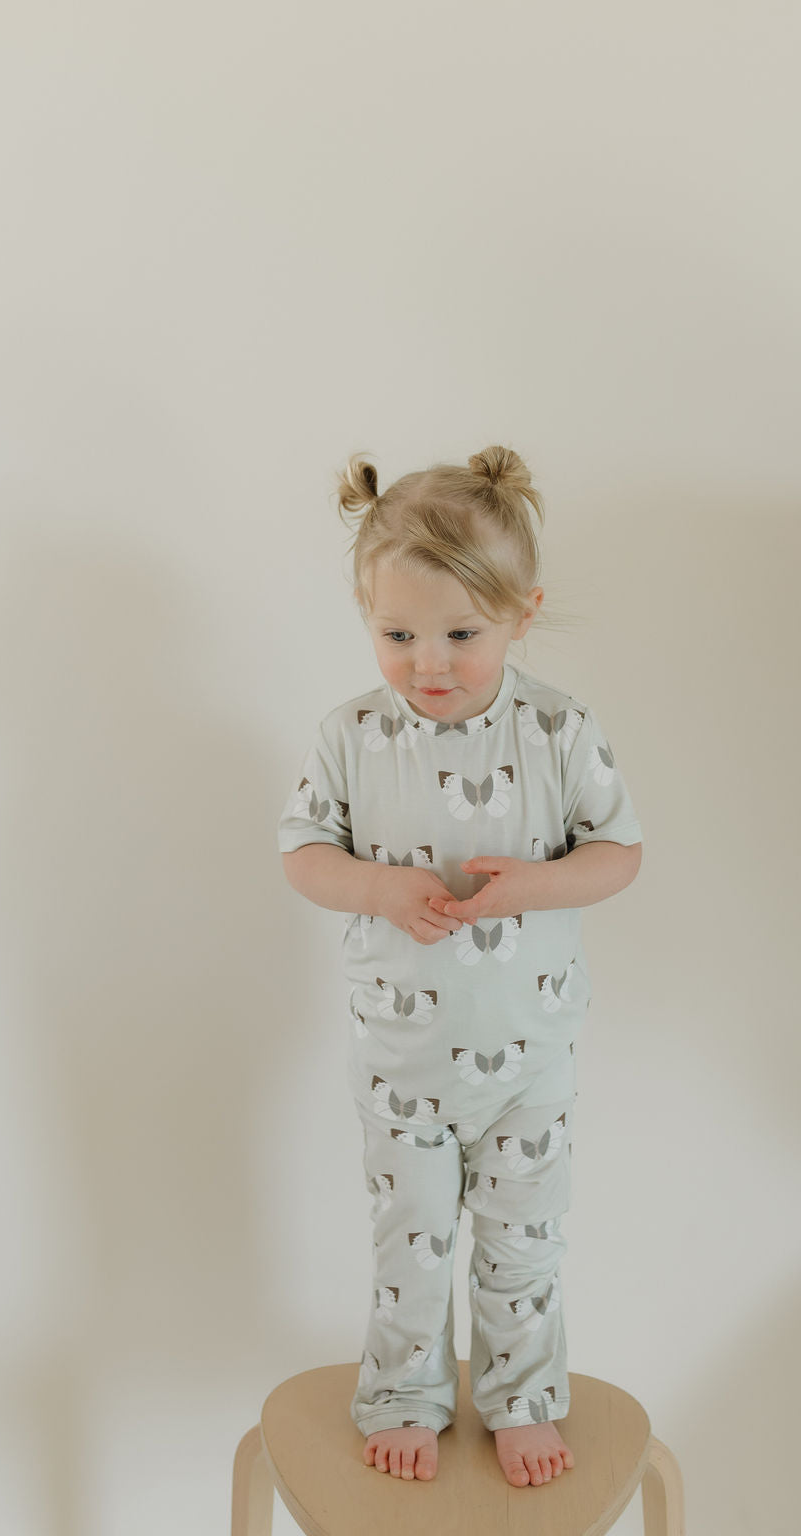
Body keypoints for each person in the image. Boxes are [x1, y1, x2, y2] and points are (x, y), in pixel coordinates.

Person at [277, 447, 642, 1489]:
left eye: (459, 636)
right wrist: (377, 888)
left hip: (529, 1056)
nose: (427, 662)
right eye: (397, 635)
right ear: (365, 615)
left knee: (522, 1245)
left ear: (519, 615)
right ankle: (402, 1393)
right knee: (412, 1244)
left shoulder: (559, 730)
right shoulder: (351, 736)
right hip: (403, 1061)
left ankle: (522, 1397)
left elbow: (618, 854)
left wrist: (532, 884)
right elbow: (301, 852)